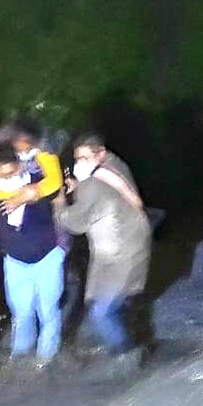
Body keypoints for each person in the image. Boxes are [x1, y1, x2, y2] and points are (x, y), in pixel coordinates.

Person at [53, 133, 151, 355]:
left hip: (121, 254)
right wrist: (80, 187)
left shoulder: (93, 186)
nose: (80, 164)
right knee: (100, 302)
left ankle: (126, 355)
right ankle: (133, 338)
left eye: (85, 158)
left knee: (101, 312)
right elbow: (103, 194)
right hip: (125, 247)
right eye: (77, 159)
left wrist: (59, 204)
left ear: (101, 154)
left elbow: (74, 223)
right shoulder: (116, 165)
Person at [0, 141, 65, 365]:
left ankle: (45, 359)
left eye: (11, 173)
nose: (7, 178)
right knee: (21, 313)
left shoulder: (40, 185)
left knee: (48, 311)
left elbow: (56, 187)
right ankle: (20, 356)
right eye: (2, 175)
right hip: (15, 262)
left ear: (20, 166)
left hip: (47, 258)